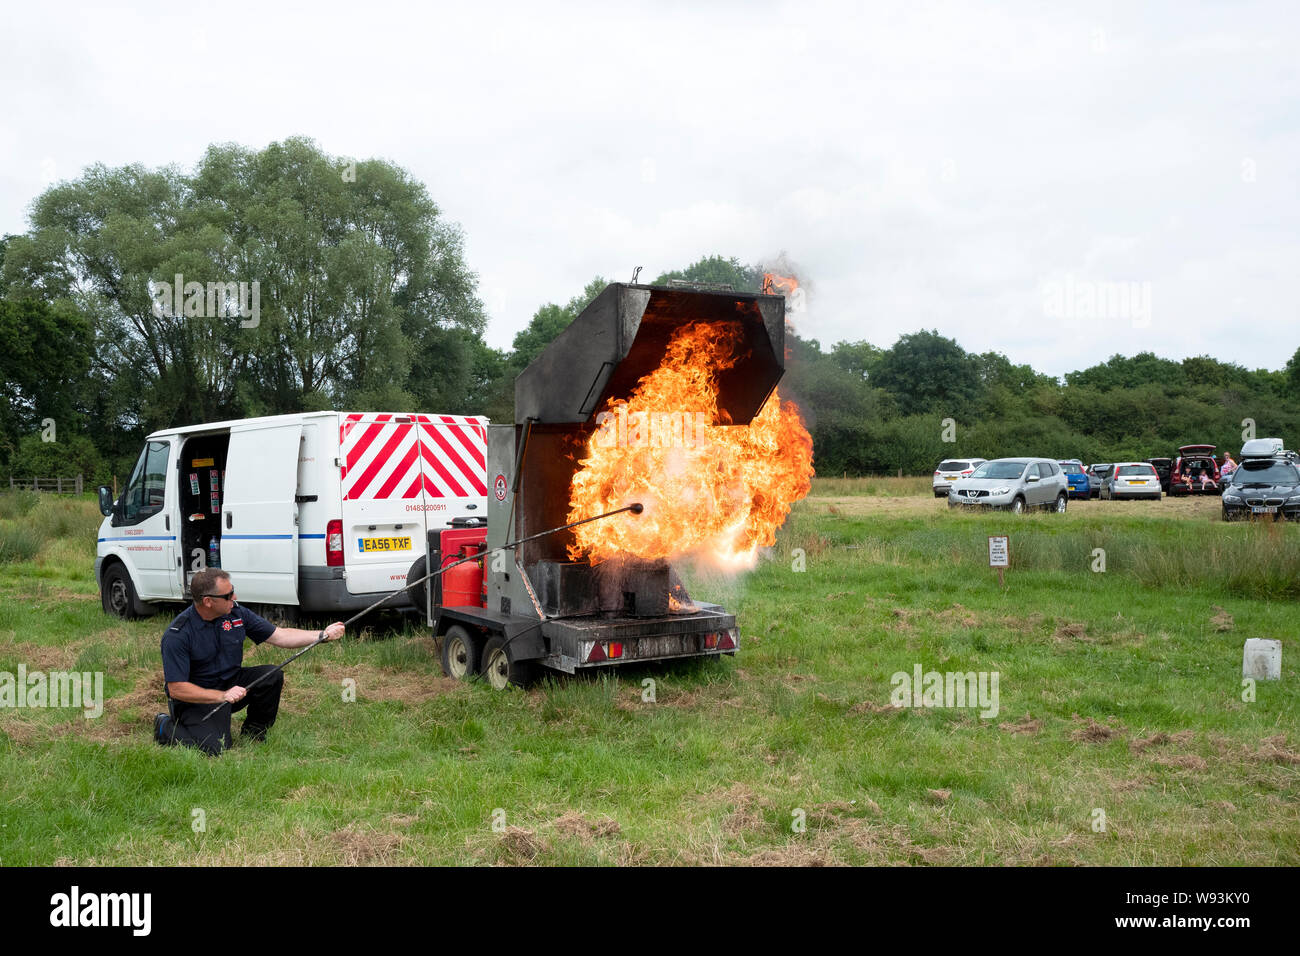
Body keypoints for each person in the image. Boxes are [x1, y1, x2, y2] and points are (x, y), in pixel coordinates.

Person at [153, 568, 344, 755]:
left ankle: (254, 732)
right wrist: (221, 696)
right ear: (208, 601)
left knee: (271, 675)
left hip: (232, 684)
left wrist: (322, 635)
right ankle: (164, 725)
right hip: (197, 698)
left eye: (233, 590)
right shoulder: (178, 635)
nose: (234, 597)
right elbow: (176, 689)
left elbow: (281, 636)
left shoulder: (237, 613)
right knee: (215, 748)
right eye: (228, 595)